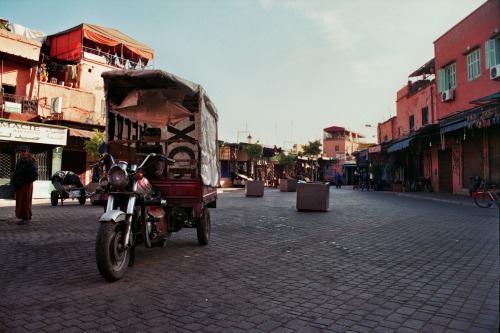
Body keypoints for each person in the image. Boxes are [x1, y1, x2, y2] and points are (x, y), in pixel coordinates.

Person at [11, 146, 38, 225]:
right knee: (20, 202)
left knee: (25, 201)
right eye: (22, 151)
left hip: (26, 185)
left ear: (27, 152)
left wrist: (25, 182)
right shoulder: (20, 160)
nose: (23, 153)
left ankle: (25, 217)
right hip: (20, 184)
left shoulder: (31, 161)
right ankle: (25, 216)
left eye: (24, 151)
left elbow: (35, 175)